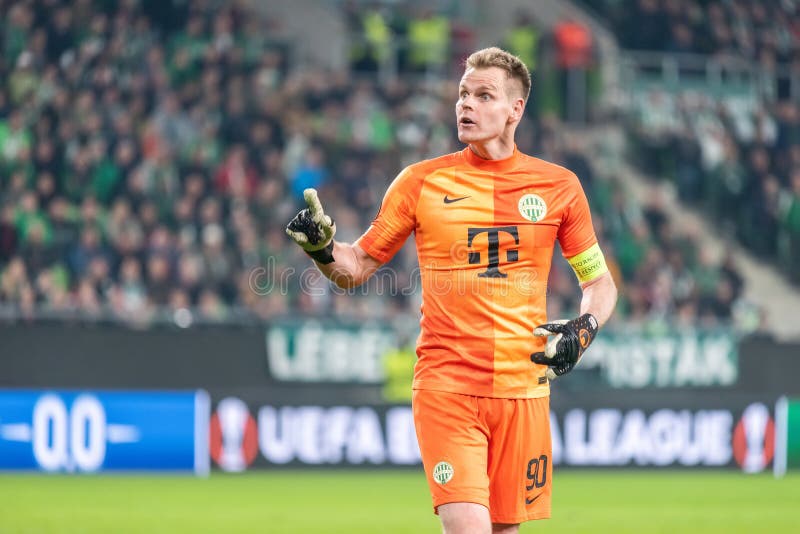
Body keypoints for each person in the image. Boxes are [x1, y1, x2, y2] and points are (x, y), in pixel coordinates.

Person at [286, 47, 617, 533]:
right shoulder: (420, 182)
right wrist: (322, 247)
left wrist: (584, 328)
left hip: (523, 391)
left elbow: (599, 282)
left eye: (484, 96)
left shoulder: (559, 187)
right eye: (464, 94)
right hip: (448, 388)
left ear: (515, 110)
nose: (467, 105)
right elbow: (354, 267)